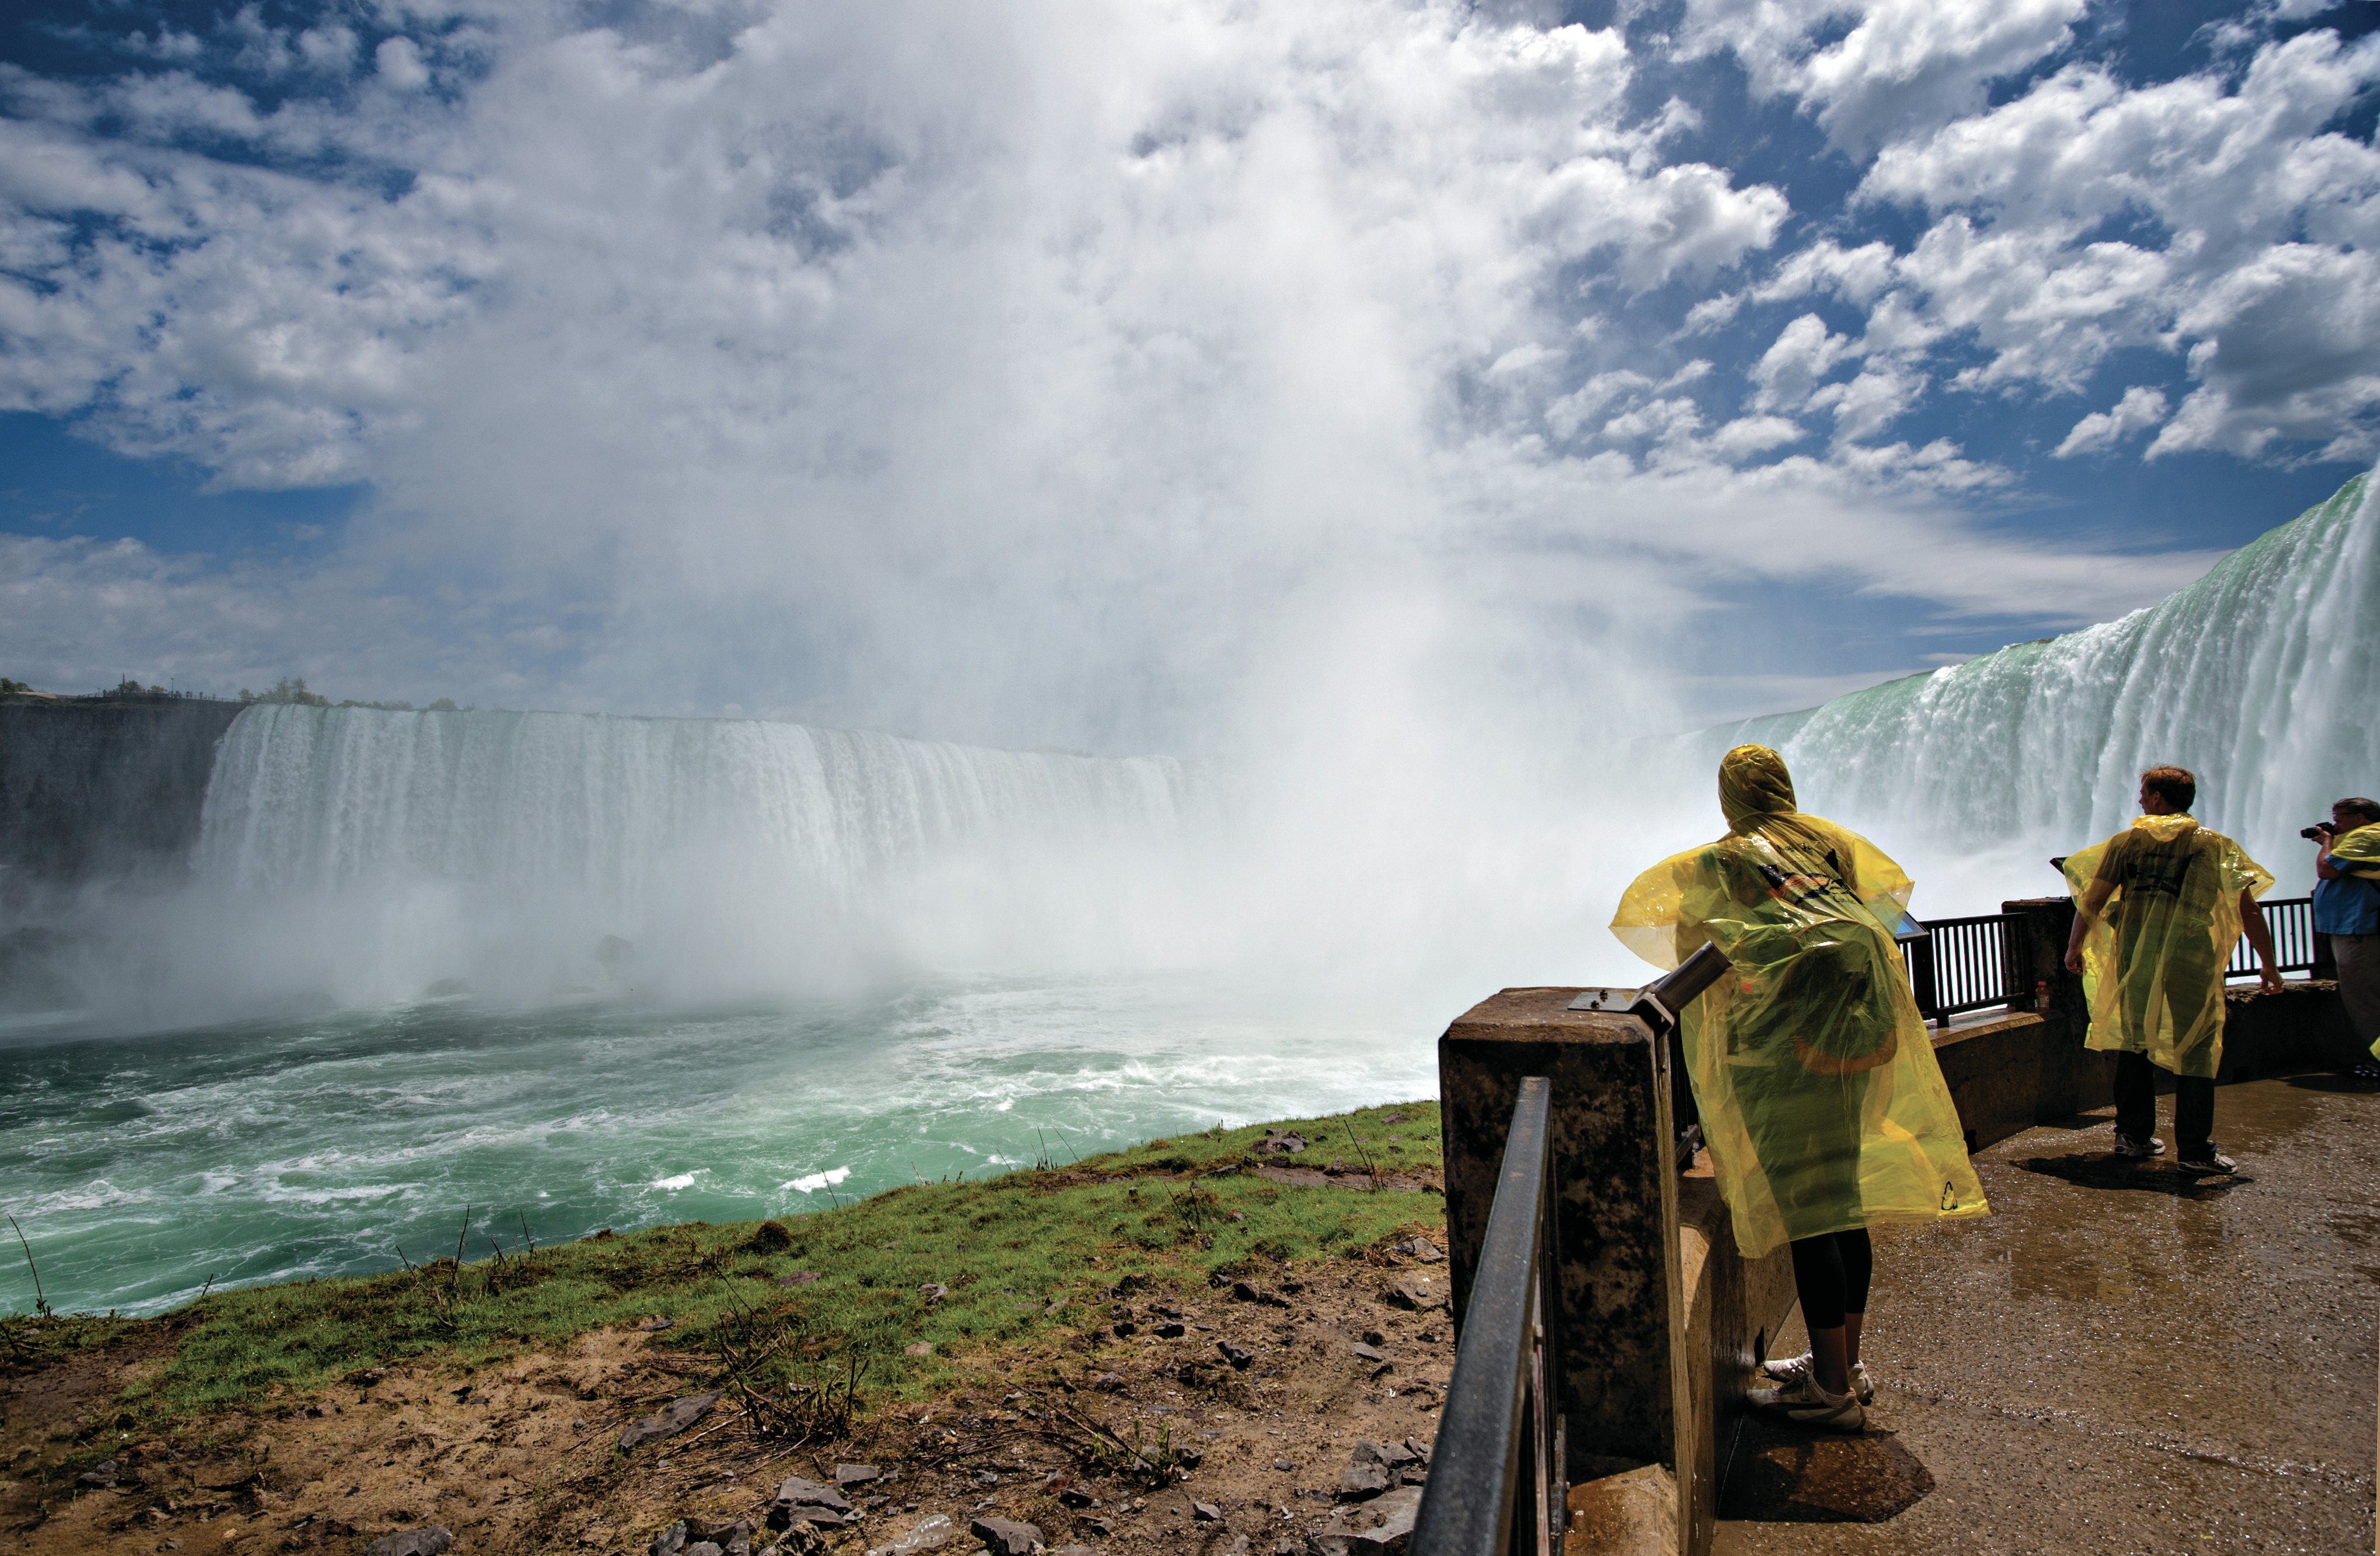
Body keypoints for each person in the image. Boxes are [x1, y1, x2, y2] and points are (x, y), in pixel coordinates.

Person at [1612, 745, 1988, 1432]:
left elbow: (1685, 933)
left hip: (1782, 1049)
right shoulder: (1827, 843)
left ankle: (1831, 1395)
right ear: (1781, 786)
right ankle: (1843, 1361)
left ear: (1728, 795)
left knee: (1808, 1212)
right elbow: (1878, 902)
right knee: (1841, 1201)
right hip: (1858, 1031)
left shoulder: (1721, 860)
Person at [2061, 765, 2279, 1175]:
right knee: (2196, 1047)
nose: (2140, 799)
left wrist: (2076, 946)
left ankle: (2133, 1137)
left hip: (2135, 959)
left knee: (2135, 1042)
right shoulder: (2212, 845)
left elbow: (2093, 899)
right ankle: (2196, 1151)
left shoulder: (2128, 843)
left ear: (2159, 798)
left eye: (2144, 792)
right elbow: (2246, 907)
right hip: (2189, 958)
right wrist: (2268, 964)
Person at [2310, 797, 2380, 1055]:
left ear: (2360, 818)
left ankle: (2377, 1061)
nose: (2335, 824)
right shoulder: (2367, 837)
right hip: (2358, 927)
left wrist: (2327, 842)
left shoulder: (2367, 837)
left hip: (2359, 928)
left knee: (2365, 999)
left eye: (2339, 818)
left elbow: (2327, 869)